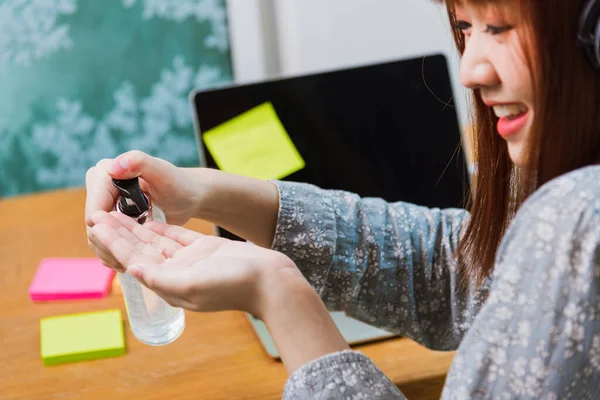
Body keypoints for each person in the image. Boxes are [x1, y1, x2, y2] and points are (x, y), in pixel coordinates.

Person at [85, 0, 600, 398]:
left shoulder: (581, 213)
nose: (470, 70)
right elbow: (466, 278)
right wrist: (204, 191)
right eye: (466, 27)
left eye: (501, 27)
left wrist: (279, 294)